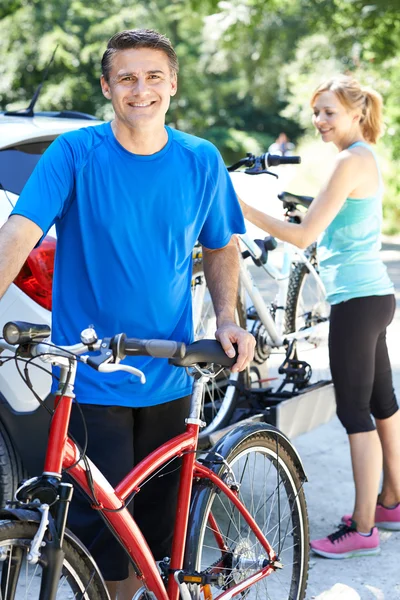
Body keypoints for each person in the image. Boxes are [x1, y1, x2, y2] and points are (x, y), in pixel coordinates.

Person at [0, 29, 255, 598]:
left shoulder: (200, 159)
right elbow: (19, 233)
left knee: (156, 546)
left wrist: (228, 317)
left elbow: (220, 243)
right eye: (127, 78)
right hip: (92, 375)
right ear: (107, 87)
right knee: (102, 544)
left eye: (153, 77)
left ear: (173, 85)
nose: (141, 90)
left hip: (171, 367)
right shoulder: (75, 153)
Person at [239, 74, 400, 559]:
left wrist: (241, 206)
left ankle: (365, 528)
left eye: (328, 111)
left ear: (355, 113)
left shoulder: (349, 161)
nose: (319, 121)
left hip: (356, 302)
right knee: (382, 402)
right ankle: (392, 500)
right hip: (375, 296)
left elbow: (304, 236)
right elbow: (327, 219)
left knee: (355, 413)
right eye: (316, 112)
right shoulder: (361, 159)